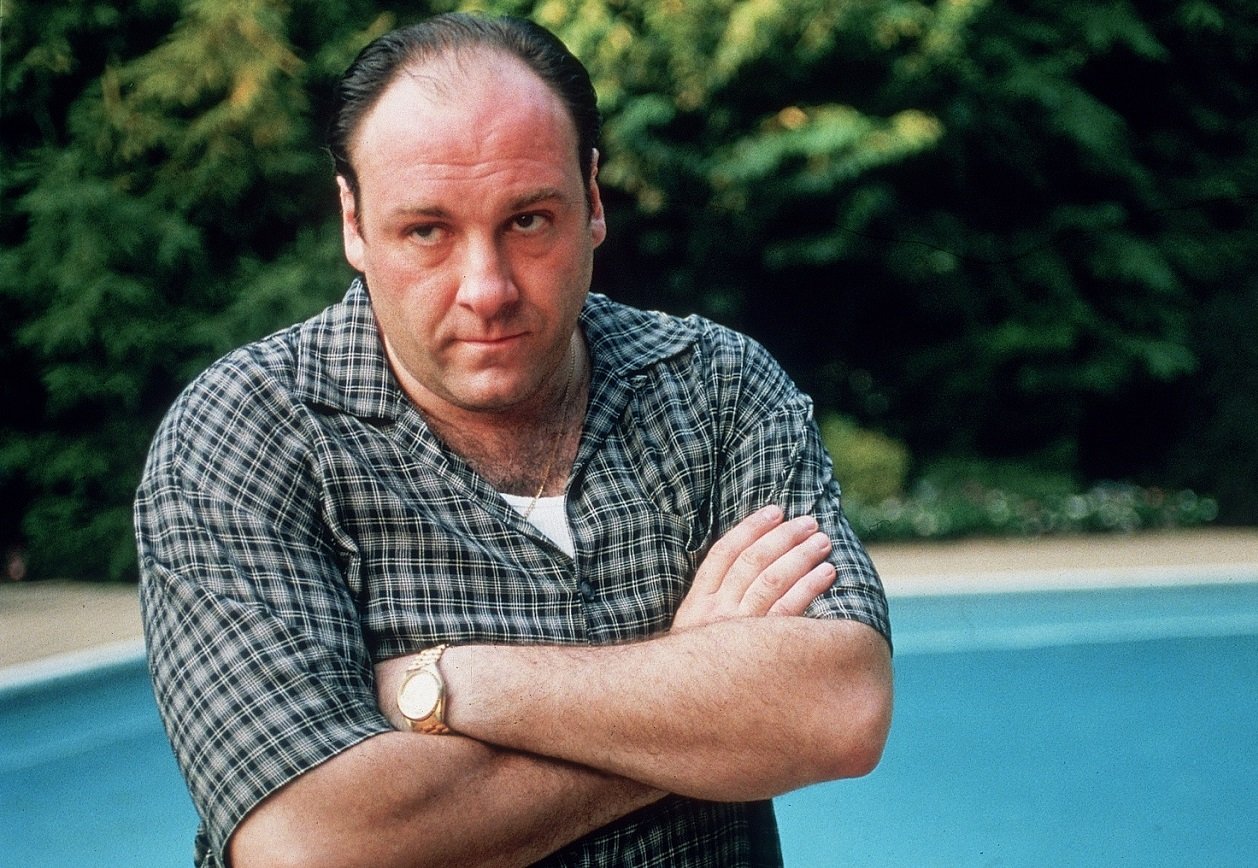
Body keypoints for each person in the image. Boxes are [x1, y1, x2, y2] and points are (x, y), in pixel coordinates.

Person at [134, 12, 892, 868]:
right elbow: (310, 844)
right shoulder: (246, 434)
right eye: (427, 231)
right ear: (354, 222)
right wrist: (700, 700)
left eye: (528, 220)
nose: (486, 289)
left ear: (593, 200)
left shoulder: (716, 388)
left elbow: (838, 710)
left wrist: (450, 683)